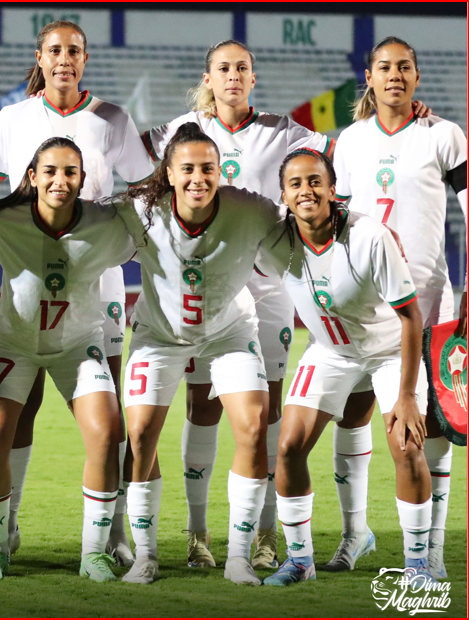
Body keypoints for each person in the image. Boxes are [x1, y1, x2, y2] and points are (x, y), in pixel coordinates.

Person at [0, 20, 153, 564]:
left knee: (106, 413)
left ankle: (112, 534)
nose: (65, 59)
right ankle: (7, 526)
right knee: (22, 405)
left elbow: (145, 192)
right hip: (28, 272)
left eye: (74, 51)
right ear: (39, 57)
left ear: (85, 59)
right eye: (55, 50)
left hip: (97, 277)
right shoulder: (13, 118)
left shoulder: (112, 118)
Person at [141, 40, 332, 570]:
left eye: (241, 68)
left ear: (253, 77)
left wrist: (403, 115)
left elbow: (342, 158)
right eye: (223, 68)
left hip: (266, 291)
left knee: (265, 411)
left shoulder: (284, 131)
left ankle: (266, 534)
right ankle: (198, 533)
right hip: (202, 289)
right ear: (208, 77)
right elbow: (120, 153)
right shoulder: (182, 130)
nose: (232, 76)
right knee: (202, 405)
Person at [257, 148, 434, 586]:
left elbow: (411, 317)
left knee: (407, 446)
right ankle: (300, 561)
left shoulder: (370, 236)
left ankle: (418, 566)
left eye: (315, 181)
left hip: (389, 351)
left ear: (333, 189)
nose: (306, 190)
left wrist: (407, 396)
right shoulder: (273, 240)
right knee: (288, 447)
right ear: (283, 196)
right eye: (295, 184)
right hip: (331, 351)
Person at [116, 122, 281, 585]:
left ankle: (238, 558)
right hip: (159, 334)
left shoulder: (250, 208)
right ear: (168, 174)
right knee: (140, 434)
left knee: (253, 425)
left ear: (220, 171)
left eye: (208, 168)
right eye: (187, 168)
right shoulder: (139, 211)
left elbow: (307, 223)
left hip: (229, 331)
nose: (198, 178)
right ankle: (146, 556)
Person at [0, 138, 136, 582]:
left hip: (78, 345)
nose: (60, 180)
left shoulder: (107, 224)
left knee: (107, 432)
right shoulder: (2, 221)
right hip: (11, 343)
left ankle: (94, 554)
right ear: (32, 177)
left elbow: (158, 244)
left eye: (70, 172)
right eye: (51, 171)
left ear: (82, 179)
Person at [332, 37, 466, 579]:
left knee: (430, 425)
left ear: (417, 75)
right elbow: (336, 220)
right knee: (352, 413)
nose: (394, 75)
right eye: (384, 67)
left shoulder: (444, 135)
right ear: (368, 76)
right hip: (362, 305)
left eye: (404, 66)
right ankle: (354, 535)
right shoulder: (349, 141)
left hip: (428, 303)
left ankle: (430, 552)